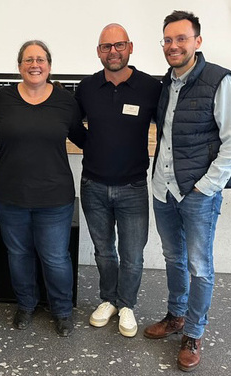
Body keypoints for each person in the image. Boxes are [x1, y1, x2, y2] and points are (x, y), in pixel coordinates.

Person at [144, 10, 231, 372]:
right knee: (173, 258)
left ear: (197, 41)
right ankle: (176, 315)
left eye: (181, 39)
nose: (173, 46)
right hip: (164, 190)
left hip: (197, 194)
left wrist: (205, 189)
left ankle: (194, 332)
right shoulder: (166, 83)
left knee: (199, 266)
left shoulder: (219, 81)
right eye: (168, 40)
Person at [0, 40, 86, 337]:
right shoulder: (1, 99)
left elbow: (83, 138)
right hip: (9, 195)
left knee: (55, 257)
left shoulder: (65, 101)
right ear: (19, 66)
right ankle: (26, 305)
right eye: (28, 60)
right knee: (19, 254)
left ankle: (62, 310)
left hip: (54, 198)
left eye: (40, 59)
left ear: (49, 65)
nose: (35, 65)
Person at [75, 23, 161, 337]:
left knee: (133, 254)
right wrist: (93, 145)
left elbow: (167, 129)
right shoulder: (86, 87)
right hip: (93, 185)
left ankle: (126, 304)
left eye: (119, 45)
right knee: (103, 251)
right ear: (99, 52)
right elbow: (72, 125)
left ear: (130, 47)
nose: (113, 52)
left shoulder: (150, 88)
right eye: (106, 46)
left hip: (133, 187)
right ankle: (108, 299)